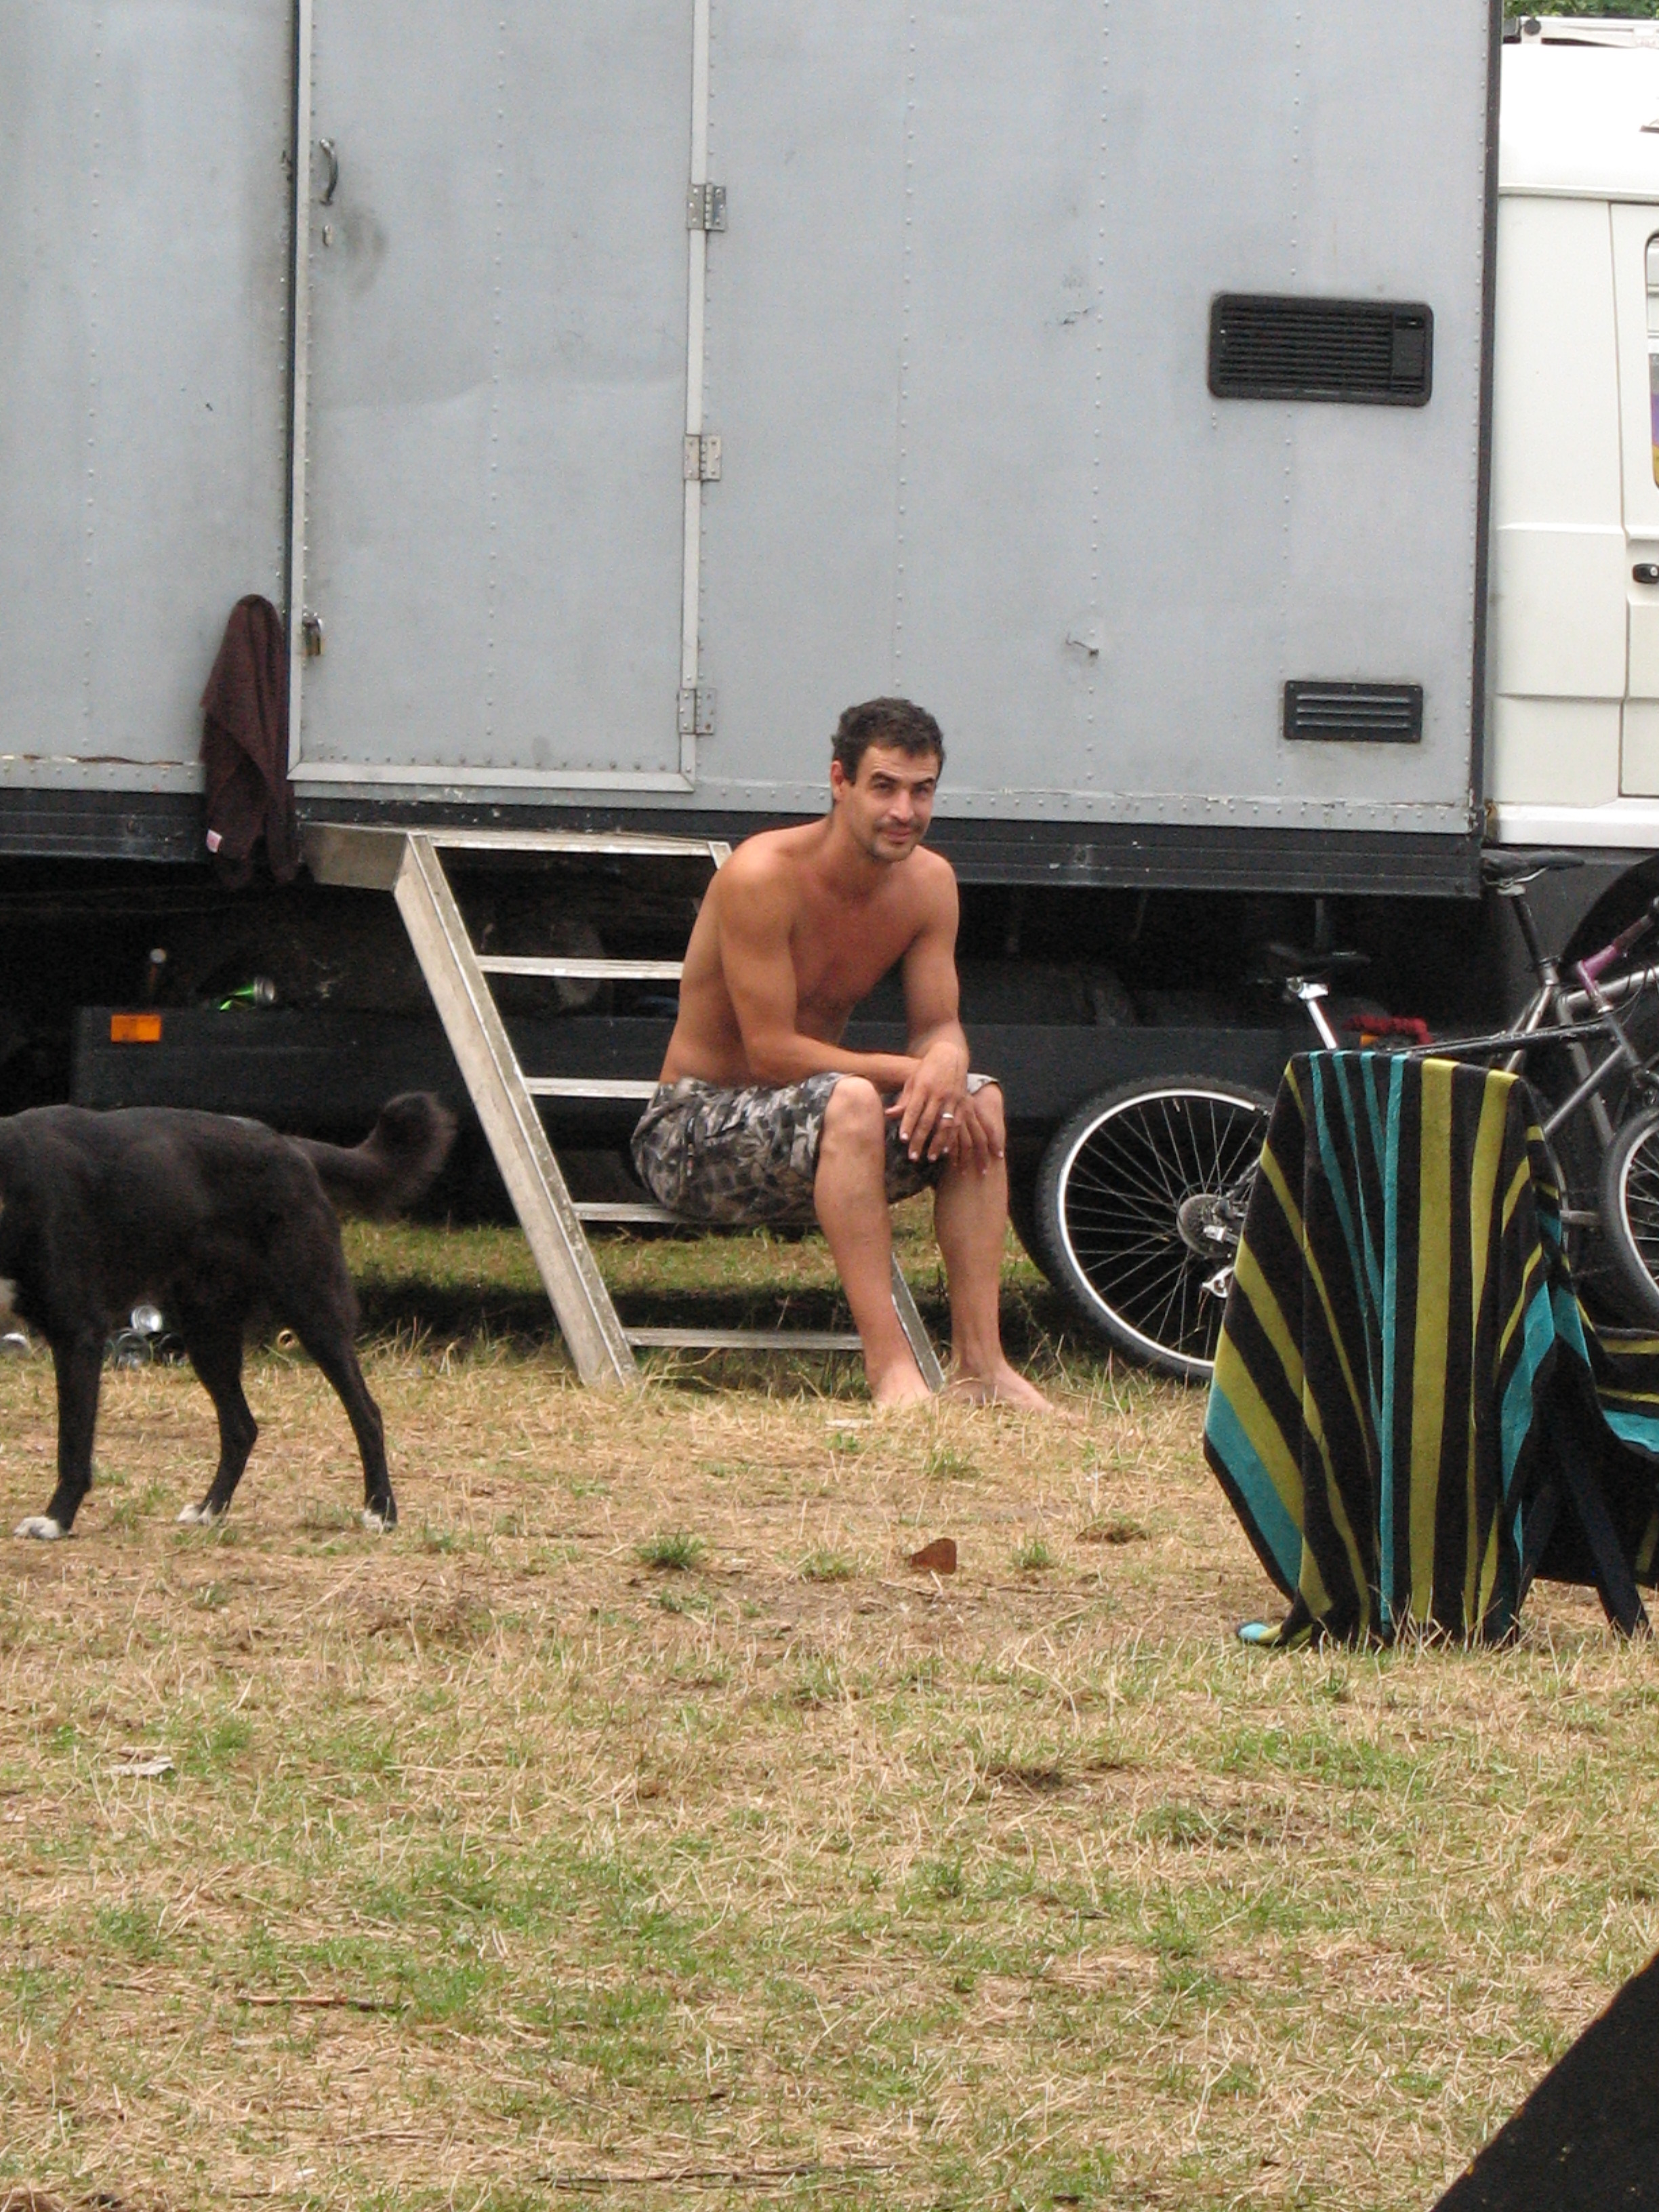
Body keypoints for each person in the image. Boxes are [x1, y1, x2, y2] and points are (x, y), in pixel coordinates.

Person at [631, 697, 1052, 1410]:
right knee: (854, 1097)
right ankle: (892, 1371)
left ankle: (982, 1367)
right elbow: (770, 1053)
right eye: (884, 787)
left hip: (819, 1129)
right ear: (839, 781)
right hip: (691, 1137)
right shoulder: (762, 874)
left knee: (981, 1099)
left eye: (922, 791)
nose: (904, 812)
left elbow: (938, 1025)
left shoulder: (930, 884)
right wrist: (919, 1071)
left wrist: (948, 1060)